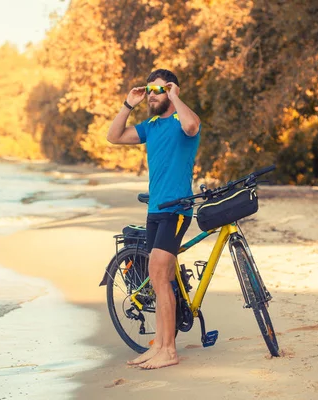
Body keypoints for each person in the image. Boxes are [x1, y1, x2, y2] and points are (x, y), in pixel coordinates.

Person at [106, 69, 201, 369]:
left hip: (176, 209)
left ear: (171, 90)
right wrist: (127, 104)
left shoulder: (180, 121)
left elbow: (192, 125)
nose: (152, 94)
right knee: (161, 279)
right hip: (155, 210)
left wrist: (175, 95)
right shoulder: (149, 127)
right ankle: (159, 345)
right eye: (150, 90)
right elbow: (114, 136)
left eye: (159, 90)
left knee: (159, 274)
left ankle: (169, 351)